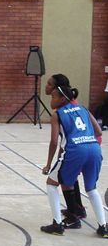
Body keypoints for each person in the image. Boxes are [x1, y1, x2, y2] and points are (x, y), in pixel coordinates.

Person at [40, 85, 108, 238]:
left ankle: (57, 224)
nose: (51, 100)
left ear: (62, 99)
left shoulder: (57, 114)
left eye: (53, 97)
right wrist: (87, 139)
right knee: (91, 188)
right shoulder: (83, 108)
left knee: (51, 183)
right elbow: (98, 131)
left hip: (76, 150)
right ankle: (103, 227)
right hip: (94, 149)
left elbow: (53, 142)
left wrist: (49, 163)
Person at [44, 74, 92, 228]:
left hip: (83, 143)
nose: (46, 86)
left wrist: (50, 162)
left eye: (50, 84)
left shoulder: (66, 110)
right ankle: (76, 210)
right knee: (68, 178)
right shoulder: (68, 104)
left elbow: (56, 141)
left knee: (66, 178)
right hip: (84, 144)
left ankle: (75, 212)